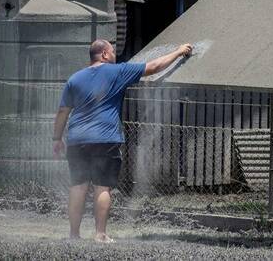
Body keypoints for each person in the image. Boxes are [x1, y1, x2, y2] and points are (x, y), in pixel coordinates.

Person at [52, 39, 192, 242]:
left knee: (78, 186)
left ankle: (73, 235)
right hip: (105, 139)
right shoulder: (117, 71)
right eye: (113, 51)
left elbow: (63, 110)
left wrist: (57, 138)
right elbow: (154, 66)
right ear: (104, 55)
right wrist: (178, 51)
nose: (116, 55)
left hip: (76, 140)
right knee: (102, 187)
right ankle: (100, 234)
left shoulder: (74, 78)